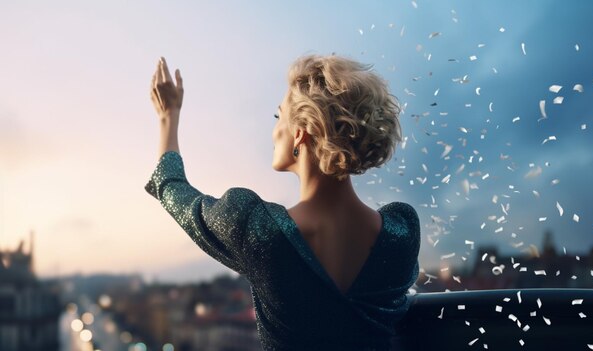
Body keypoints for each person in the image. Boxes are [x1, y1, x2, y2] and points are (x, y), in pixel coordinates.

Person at [145, 54, 421, 350]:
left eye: (279, 117)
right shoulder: (401, 235)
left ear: (300, 132)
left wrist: (168, 117)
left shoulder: (258, 229)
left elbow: (173, 190)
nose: (274, 130)